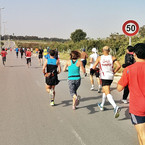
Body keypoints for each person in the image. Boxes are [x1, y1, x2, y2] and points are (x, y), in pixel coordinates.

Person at [117, 43, 145, 145]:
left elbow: (119, 88)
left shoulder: (129, 69)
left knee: (142, 133)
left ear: (135, 55)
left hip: (138, 107)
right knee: (140, 134)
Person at [93, 46, 121, 118]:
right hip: (110, 76)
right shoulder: (112, 57)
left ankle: (115, 107)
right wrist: (114, 71)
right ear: (109, 51)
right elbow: (119, 66)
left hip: (104, 76)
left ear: (102, 50)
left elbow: (93, 67)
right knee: (105, 90)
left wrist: (98, 68)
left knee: (107, 92)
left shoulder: (99, 58)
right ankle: (102, 105)